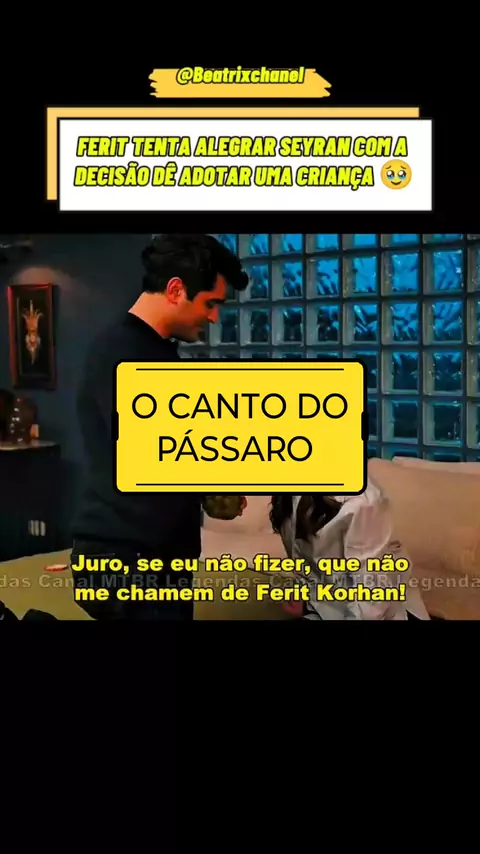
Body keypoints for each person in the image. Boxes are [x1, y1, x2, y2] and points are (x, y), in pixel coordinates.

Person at [70, 234, 249, 620]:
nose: (214, 318)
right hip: (126, 557)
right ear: (175, 289)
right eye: (211, 303)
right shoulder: (124, 353)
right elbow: (153, 450)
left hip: (156, 553)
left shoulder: (157, 352)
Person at [270, 480, 430, 620]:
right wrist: (306, 597)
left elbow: (373, 602)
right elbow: (308, 559)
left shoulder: (362, 500)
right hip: (325, 609)